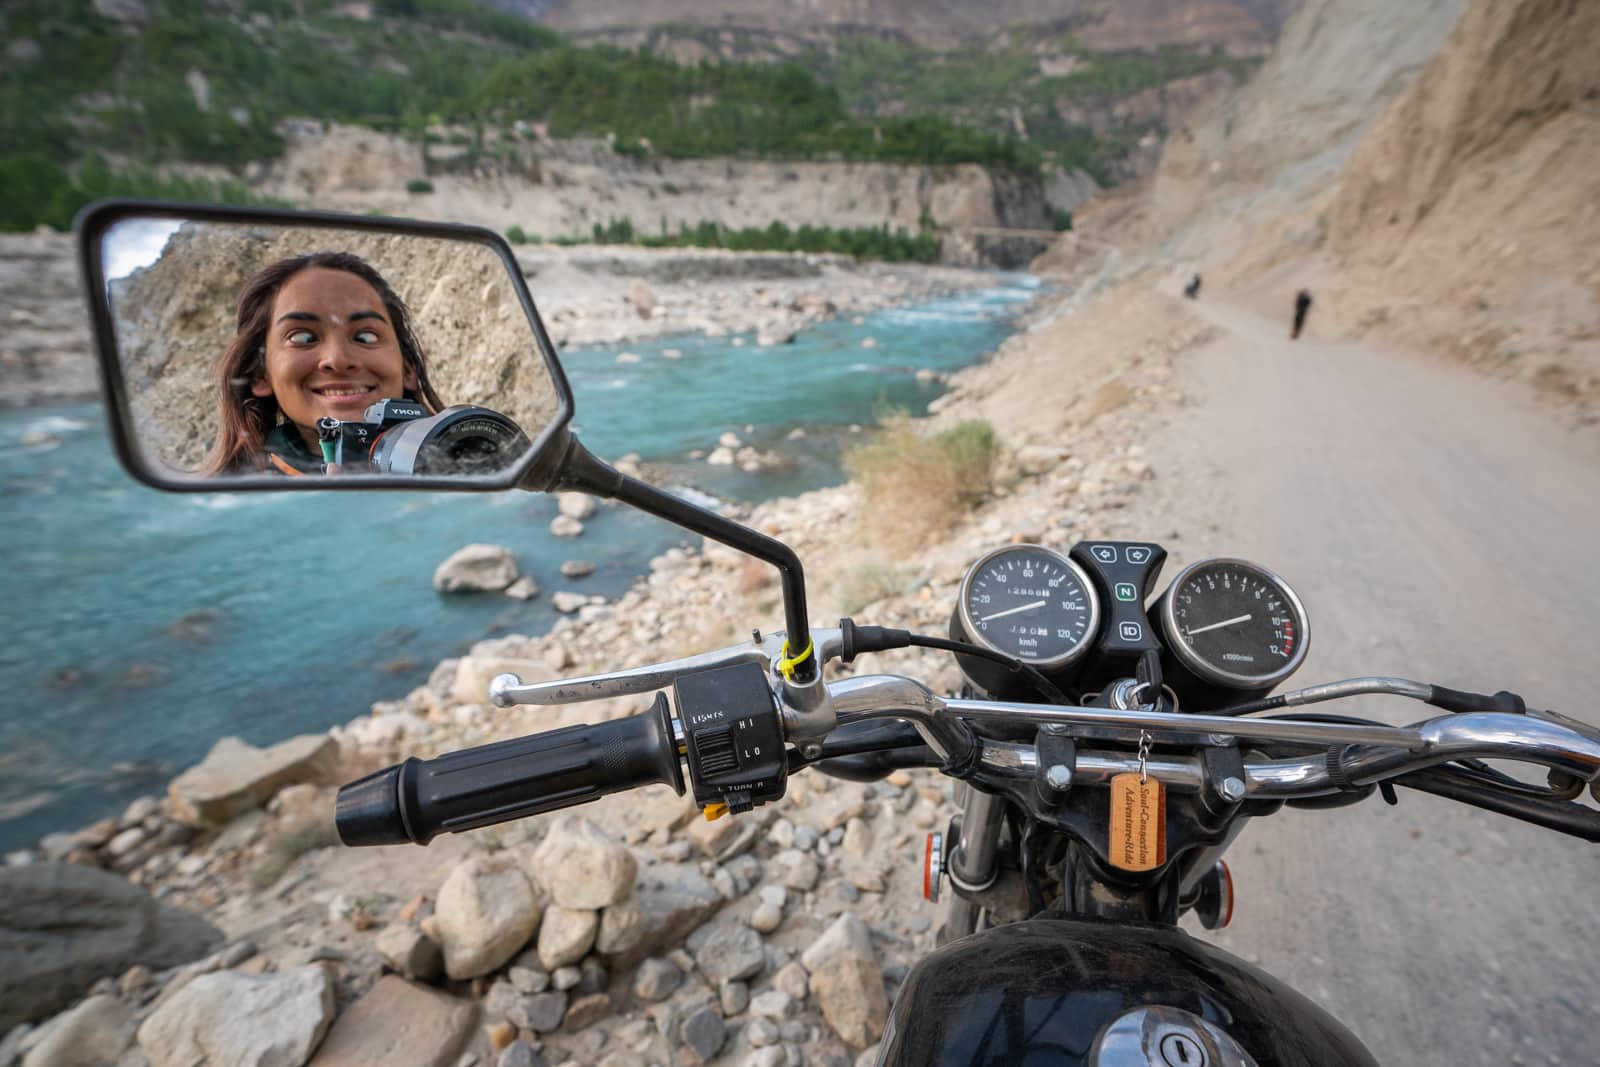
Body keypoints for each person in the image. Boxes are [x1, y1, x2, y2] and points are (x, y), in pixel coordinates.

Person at [204, 251, 444, 475]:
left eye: (366, 337)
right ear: (260, 374)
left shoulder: (473, 466)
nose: (338, 359)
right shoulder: (220, 506)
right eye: (303, 338)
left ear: (407, 367)